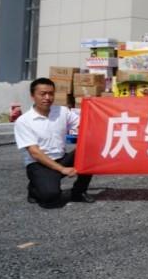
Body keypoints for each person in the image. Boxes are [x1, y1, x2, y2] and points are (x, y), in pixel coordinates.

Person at [14, 78, 95, 208]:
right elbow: (35, 153)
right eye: (43, 94)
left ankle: (78, 192)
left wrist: (92, 106)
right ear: (32, 96)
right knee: (51, 197)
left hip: (61, 158)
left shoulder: (62, 111)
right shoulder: (24, 121)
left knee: (89, 151)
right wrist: (62, 169)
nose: (47, 97)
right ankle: (34, 188)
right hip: (39, 164)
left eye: (51, 93)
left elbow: (83, 125)